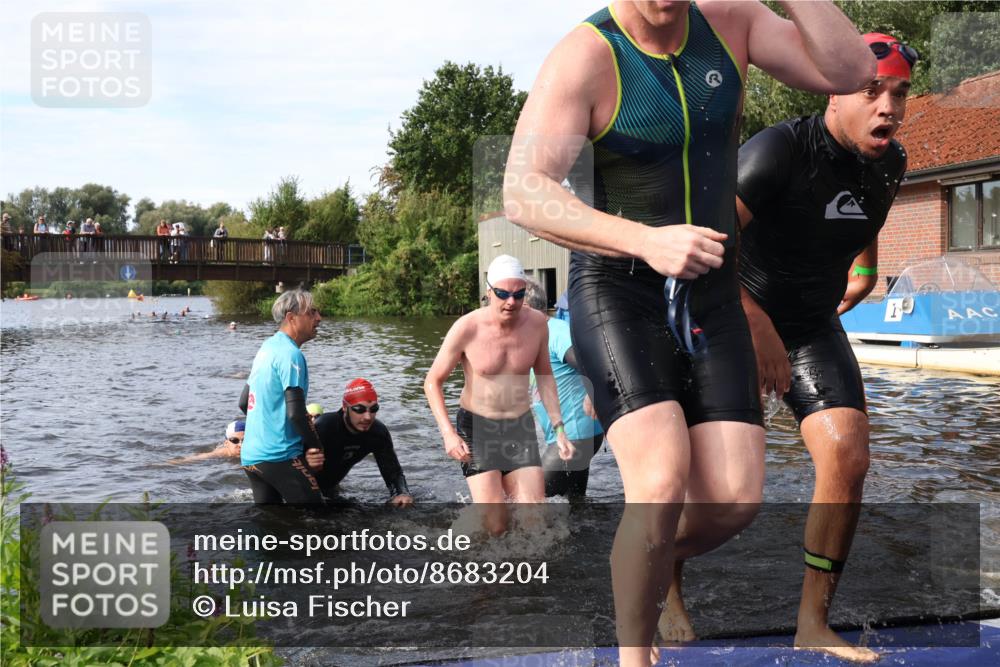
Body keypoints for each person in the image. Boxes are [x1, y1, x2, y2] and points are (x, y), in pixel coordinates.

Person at [502, 2, 875, 663]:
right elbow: (524, 190)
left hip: (709, 291)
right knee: (662, 477)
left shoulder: (731, 21)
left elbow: (849, 69)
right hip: (619, 287)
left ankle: (630, 557)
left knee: (734, 499)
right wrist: (645, 240)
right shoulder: (587, 55)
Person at [663, 33, 912, 663]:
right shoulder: (777, 150)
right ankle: (663, 577)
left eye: (898, 93)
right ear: (833, 91)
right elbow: (703, 251)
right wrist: (756, 324)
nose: (888, 107)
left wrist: (862, 276)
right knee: (722, 499)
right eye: (871, 90)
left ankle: (812, 622)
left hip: (808, 324)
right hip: (726, 315)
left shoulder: (890, 162)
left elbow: (862, 226)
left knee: (848, 456)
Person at [424, 255, 574, 532]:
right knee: (496, 525)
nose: (511, 302)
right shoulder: (467, 327)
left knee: (534, 521)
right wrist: (448, 433)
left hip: (519, 426)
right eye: (503, 294)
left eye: (518, 294)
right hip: (478, 426)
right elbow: (432, 381)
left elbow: (545, 377)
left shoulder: (538, 324)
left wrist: (559, 428)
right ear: (488, 291)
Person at [238, 289, 325, 504]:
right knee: (318, 521)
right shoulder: (290, 353)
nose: (319, 318)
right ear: (291, 318)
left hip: (251, 457)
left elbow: (243, 403)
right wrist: (317, 447)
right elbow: (296, 413)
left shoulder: (266, 348)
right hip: (279, 457)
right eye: (312, 312)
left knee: (272, 527)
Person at [523, 278, 604, 499]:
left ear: (527, 309)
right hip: (573, 434)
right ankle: (581, 533)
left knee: (527, 499)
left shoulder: (555, 331)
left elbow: (588, 360)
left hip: (576, 435)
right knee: (575, 506)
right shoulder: (538, 336)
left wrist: (594, 392)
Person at [311, 378, 414, 506]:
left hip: (331, 490)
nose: (367, 417)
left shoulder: (377, 432)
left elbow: (393, 471)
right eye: (359, 409)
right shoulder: (325, 427)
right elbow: (288, 461)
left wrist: (401, 493)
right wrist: (306, 462)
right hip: (304, 490)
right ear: (344, 407)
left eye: (373, 409)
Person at [167, 420, 245, 465]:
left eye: (244, 440)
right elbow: (196, 458)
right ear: (226, 443)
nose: (240, 445)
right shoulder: (220, 454)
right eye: (235, 440)